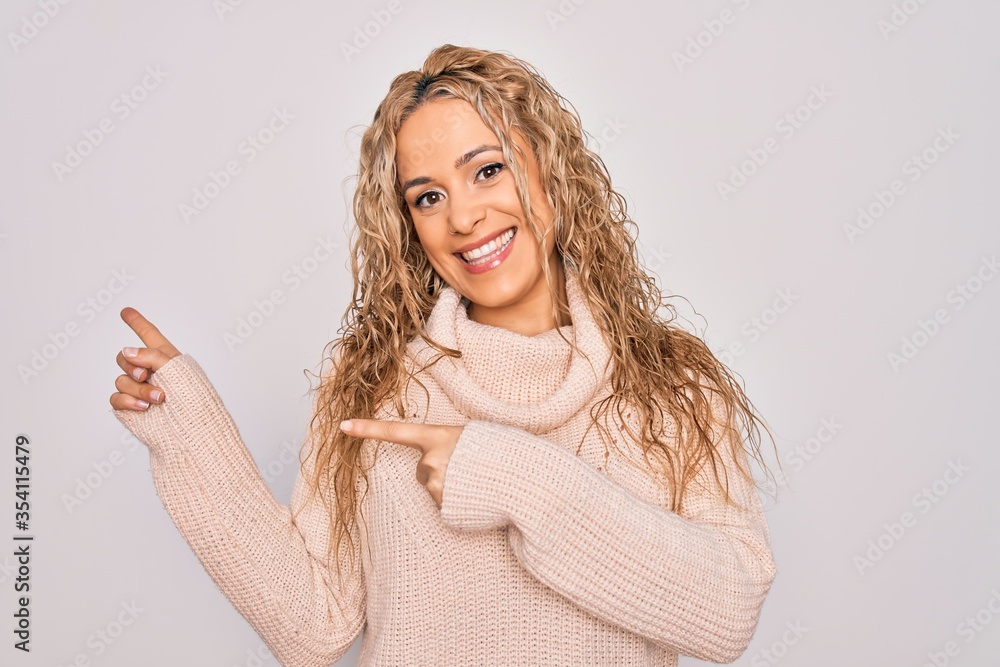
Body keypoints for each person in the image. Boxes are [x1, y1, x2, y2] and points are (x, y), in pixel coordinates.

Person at [109, 44, 779, 666]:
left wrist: (510, 476)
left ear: (551, 171)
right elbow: (314, 627)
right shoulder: (374, 386)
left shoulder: (670, 383)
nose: (462, 218)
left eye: (488, 170)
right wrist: (190, 437)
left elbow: (727, 613)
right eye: (428, 197)